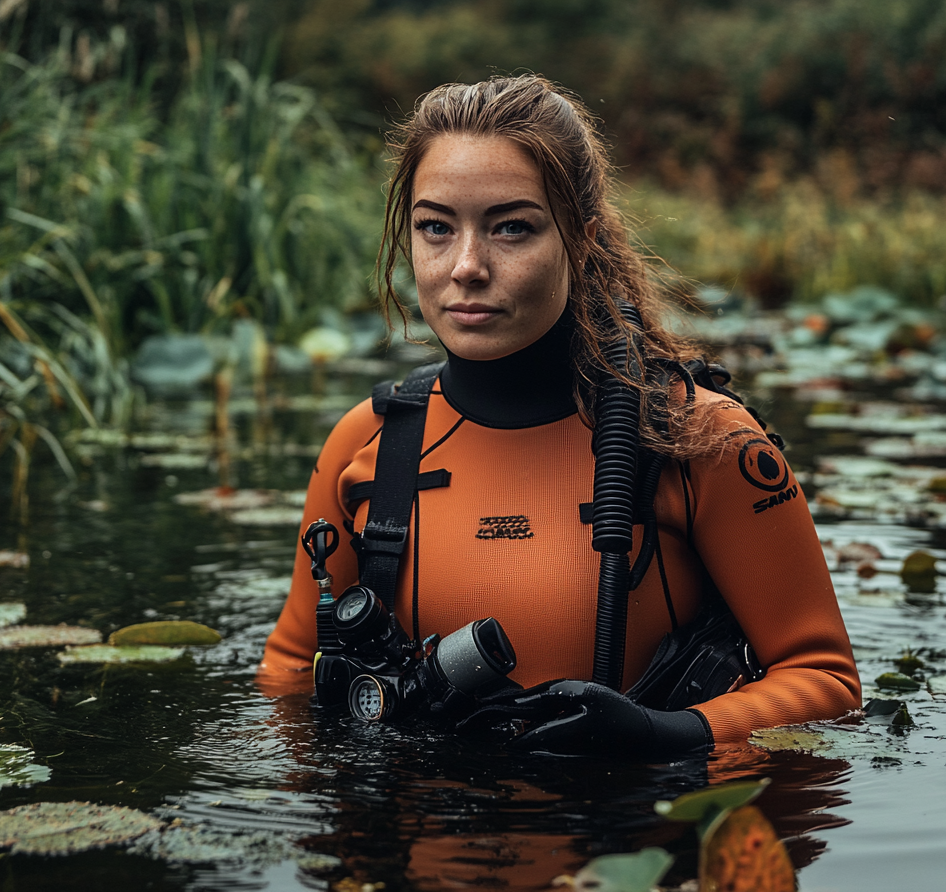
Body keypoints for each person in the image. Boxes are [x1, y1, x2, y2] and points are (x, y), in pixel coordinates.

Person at [260, 74, 860, 757]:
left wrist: (669, 735)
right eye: (435, 228)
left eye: (512, 228)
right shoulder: (364, 444)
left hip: (637, 843)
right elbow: (288, 677)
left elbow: (826, 681)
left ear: (581, 237)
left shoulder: (701, 440)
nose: (466, 266)